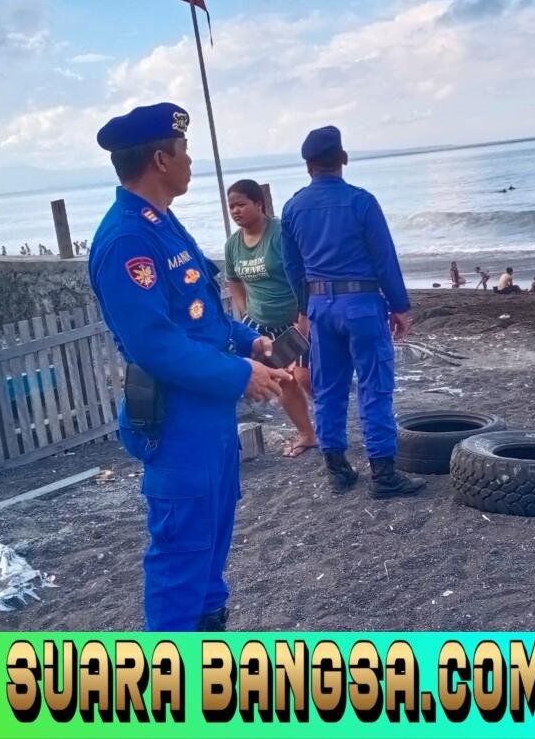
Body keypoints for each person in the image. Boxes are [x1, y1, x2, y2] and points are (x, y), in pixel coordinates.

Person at [89, 102, 290, 632]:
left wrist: (250, 342)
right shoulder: (128, 239)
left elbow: (201, 315)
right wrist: (241, 375)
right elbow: (154, 344)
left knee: (210, 552)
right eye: (183, 150)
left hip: (209, 417)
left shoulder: (161, 223)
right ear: (161, 159)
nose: (190, 160)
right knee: (181, 560)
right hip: (177, 421)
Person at [280, 125, 425, 499]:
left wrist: (304, 308)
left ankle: (337, 469)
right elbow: (384, 257)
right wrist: (399, 306)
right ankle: (383, 474)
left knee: (328, 388)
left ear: (308, 165)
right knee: (375, 386)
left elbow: (292, 267)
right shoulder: (361, 202)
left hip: (320, 306)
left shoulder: (293, 207)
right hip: (361, 304)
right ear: (343, 159)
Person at [225, 178, 319, 458]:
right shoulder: (233, 245)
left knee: (305, 378)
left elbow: (306, 273)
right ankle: (308, 435)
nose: (236, 211)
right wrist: (244, 312)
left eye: (241, 204)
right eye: (231, 206)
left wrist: (304, 317)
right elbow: (233, 280)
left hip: (297, 321)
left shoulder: (280, 233)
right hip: (260, 325)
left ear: (259, 203)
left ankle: (332, 423)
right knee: (283, 380)